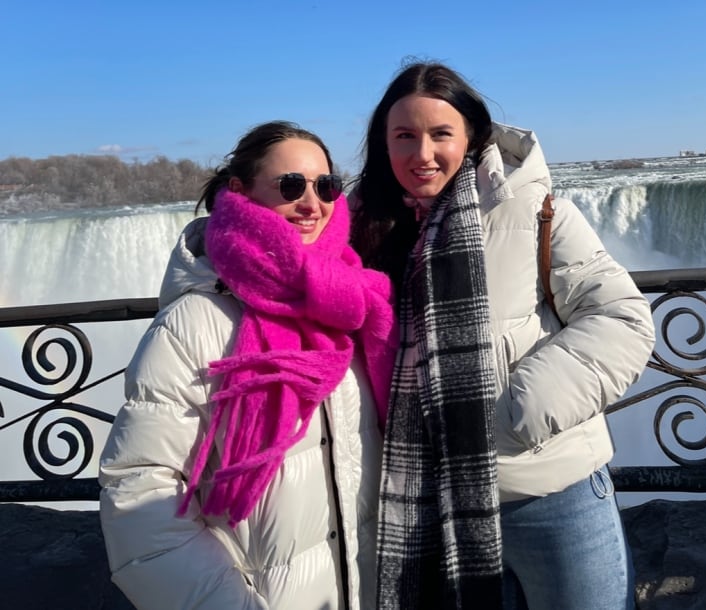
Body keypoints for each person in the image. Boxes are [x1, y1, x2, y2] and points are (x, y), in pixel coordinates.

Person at [349, 61, 656, 610]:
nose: (423, 154)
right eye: (405, 136)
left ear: (471, 137)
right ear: (383, 144)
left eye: (441, 134)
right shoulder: (358, 231)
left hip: (551, 493)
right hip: (425, 506)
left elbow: (621, 317)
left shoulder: (539, 212)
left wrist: (514, 413)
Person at [99, 121, 398, 609]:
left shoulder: (352, 303)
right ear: (238, 191)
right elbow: (138, 492)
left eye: (326, 186)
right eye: (290, 185)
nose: (312, 203)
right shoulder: (197, 320)